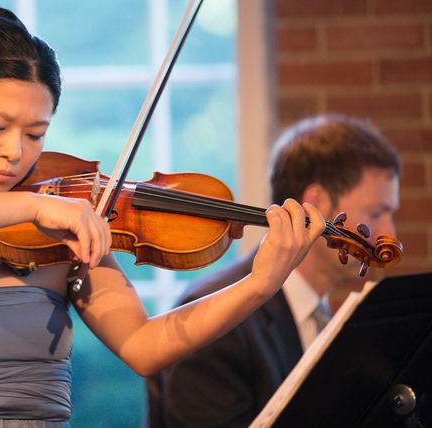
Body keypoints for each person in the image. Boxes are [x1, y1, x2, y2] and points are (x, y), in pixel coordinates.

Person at [0, 3, 326, 427]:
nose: (14, 152)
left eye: (35, 133)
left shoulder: (57, 233)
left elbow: (145, 345)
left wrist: (259, 284)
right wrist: (35, 203)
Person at [145, 114, 400, 428]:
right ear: (316, 203)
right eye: (377, 213)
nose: (390, 233)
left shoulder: (328, 317)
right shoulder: (216, 322)